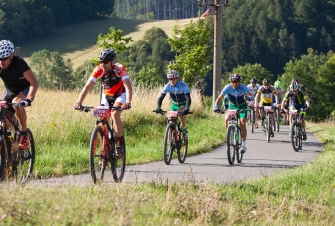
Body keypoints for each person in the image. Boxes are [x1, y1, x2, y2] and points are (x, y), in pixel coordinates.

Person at [74, 49, 132, 156]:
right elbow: (87, 87)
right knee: (102, 118)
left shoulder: (120, 69)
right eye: (101, 62)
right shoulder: (99, 69)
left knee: (115, 114)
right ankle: (106, 143)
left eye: (105, 62)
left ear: (112, 62)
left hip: (120, 95)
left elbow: (128, 86)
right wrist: (79, 102)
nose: (103, 65)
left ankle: (119, 144)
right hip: (107, 96)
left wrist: (128, 101)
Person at [0, 40, 39, 150]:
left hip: (24, 89)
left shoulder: (19, 63)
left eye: (3, 59)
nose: (1, 62)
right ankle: (7, 159)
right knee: (3, 127)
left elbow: (34, 82)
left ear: (11, 56)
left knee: (16, 103)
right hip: (9, 91)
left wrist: (29, 99)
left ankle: (24, 132)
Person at [213, 74, 253, 153]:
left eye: (237, 82)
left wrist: (250, 100)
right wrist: (216, 106)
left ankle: (243, 145)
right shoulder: (228, 87)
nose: (235, 83)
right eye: (233, 82)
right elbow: (219, 98)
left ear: (239, 82)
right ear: (231, 82)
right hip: (232, 106)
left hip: (242, 106)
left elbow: (249, 95)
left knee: (242, 123)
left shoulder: (243, 87)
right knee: (227, 118)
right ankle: (230, 134)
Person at [155, 70, 191, 140]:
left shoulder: (183, 85)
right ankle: (169, 144)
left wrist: (187, 108)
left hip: (183, 103)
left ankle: (184, 129)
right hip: (174, 104)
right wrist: (158, 107)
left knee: (180, 112)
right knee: (170, 121)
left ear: (178, 78)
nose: (172, 80)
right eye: (170, 79)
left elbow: (188, 97)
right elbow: (161, 98)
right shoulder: (167, 86)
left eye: (174, 78)